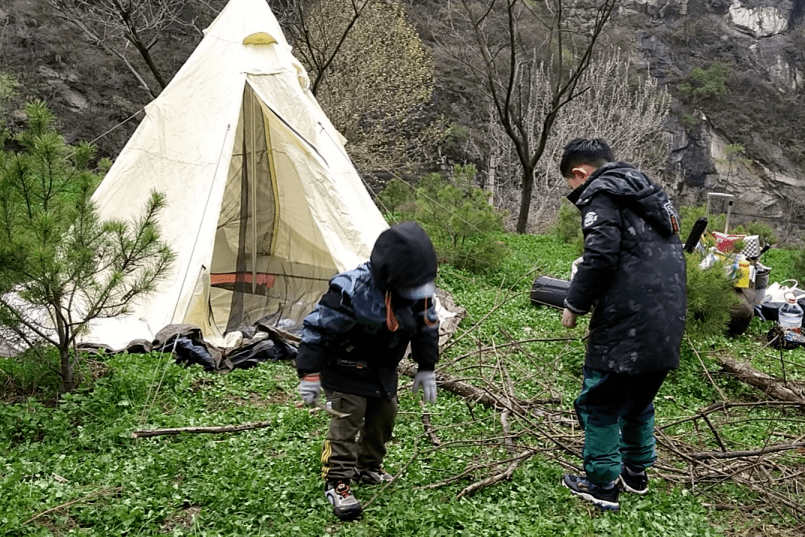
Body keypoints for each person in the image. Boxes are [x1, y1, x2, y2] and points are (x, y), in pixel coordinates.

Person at [558, 138, 687, 512]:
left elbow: (598, 256)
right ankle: (636, 473)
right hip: (668, 319)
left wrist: (574, 304)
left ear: (580, 173)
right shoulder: (652, 196)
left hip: (626, 321)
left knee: (599, 403)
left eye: (572, 183)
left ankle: (601, 485)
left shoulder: (601, 193)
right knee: (638, 400)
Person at [296, 221, 440, 521]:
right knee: (346, 421)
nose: (418, 292)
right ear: (391, 275)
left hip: (382, 367)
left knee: (383, 417)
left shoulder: (419, 290)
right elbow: (316, 330)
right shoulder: (350, 291)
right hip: (345, 367)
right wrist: (309, 374)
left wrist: (426, 367)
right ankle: (337, 481)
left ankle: (368, 466)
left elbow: (427, 326)